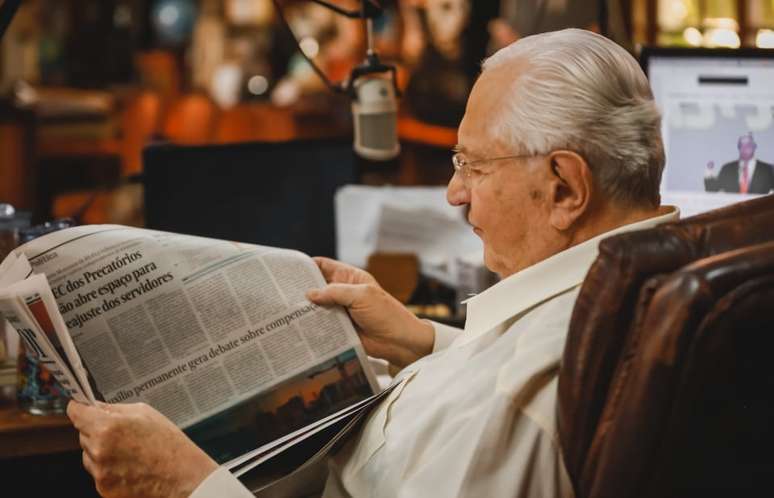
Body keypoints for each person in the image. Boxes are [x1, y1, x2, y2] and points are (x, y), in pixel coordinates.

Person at [66, 29, 679, 498]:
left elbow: (510, 403)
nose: (455, 193)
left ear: (566, 188)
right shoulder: (646, 288)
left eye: (474, 166)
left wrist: (188, 484)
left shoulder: (529, 400)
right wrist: (420, 339)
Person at [704, 133, 774, 194]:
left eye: (748, 145)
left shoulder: (767, 169)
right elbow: (712, 189)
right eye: (742, 145)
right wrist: (709, 172)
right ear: (739, 147)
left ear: (754, 147)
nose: (745, 148)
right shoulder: (727, 168)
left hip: (760, 208)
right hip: (734, 208)